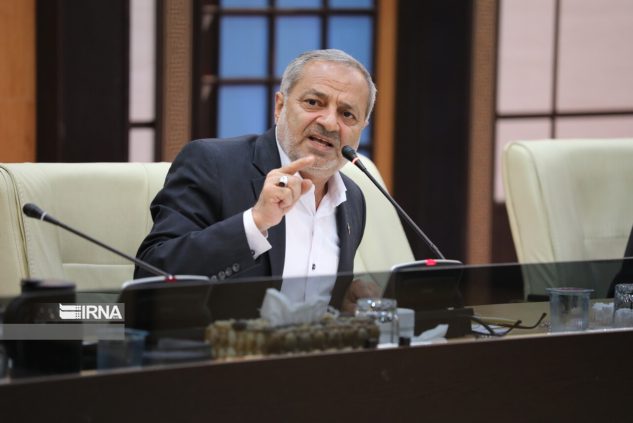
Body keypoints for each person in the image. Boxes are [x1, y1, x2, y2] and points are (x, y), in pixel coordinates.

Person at [135, 49, 380, 311]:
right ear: (280, 106)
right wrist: (254, 223)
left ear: (361, 128)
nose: (330, 123)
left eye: (347, 114)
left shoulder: (352, 199)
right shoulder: (212, 163)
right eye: (313, 102)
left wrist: (342, 303)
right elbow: (151, 276)